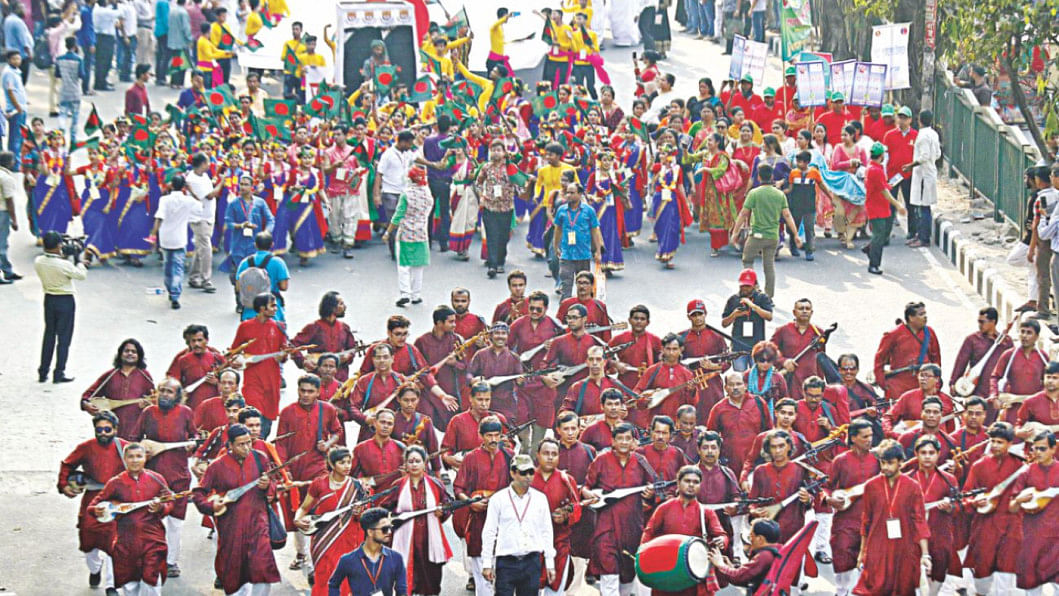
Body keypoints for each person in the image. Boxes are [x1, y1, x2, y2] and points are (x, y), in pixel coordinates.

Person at [192, 424, 280, 595]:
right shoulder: (217, 466)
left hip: (258, 524)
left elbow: (273, 484)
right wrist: (211, 506)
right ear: (230, 445)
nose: (247, 448)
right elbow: (198, 493)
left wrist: (268, 486)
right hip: (231, 528)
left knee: (263, 569)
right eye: (241, 444)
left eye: (249, 443)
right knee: (235, 574)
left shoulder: (260, 459)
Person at [130, 377, 196, 578]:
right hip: (152, 477)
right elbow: (134, 439)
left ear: (177, 396)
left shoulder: (186, 413)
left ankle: (171, 561)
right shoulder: (148, 413)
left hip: (178, 476)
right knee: (150, 519)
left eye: (170, 392)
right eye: (162, 390)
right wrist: (141, 452)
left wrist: (192, 445)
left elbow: (195, 438)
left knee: (175, 522)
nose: (165, 395)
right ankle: (149, 557)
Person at [89, 442, 174, 596]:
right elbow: (94, 505)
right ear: (125, 459)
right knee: (129, 584)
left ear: (145, 458)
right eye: (131, 457)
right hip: (126, 541)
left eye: (139, 456)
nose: (135, 460)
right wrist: (97, 510)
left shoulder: (157, 478)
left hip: (153, 539)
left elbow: (170, 501)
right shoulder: (115, 482)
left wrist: (161, 508)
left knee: (152, 580)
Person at [585, 422, 658, 595]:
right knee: (608, 570)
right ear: (613, 441)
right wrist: (588, 494)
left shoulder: (641, 461)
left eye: (628, 438)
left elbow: (655, 487)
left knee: (628, 575)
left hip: (631, 527)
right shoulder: (601, 460)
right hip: (606, 526)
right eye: (620, 438)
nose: (624, 442)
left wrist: (650, 493)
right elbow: (586, 487)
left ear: (633, 442)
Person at [58, 411, 127, 595]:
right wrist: (64, 485)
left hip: (116, 499)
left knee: (115, 542)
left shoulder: (125, 448)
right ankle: (95, 568)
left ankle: (112, 585)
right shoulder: (86, 447)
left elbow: (141, 467)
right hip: (93, 498)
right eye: (99, 430)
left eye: (107, 429)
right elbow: (67, 465)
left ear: (115, 429)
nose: (103, 433)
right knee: (88, 541)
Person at [853, 439, 930, 595]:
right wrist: (862, 551)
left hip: (904, 547)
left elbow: (919, 521)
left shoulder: (913, 487)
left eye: (890, 463)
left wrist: (925, 554)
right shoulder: (871, 486)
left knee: (902, 588)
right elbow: (866, 520)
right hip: (877, 545)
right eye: (882, 463)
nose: (885, 467)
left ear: (900, 462)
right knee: (875, 587)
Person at [641, 466, 727, 596]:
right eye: (687, 481)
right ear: (678, 483)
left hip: (694, 572)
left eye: (696, 482)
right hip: (667, 570)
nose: (691, 485)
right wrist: (644, 554)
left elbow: (721, 534)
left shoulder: (706, 512)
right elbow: (649, 532)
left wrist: (721, 540)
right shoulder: (664, 508)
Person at [292, 447, 367, 593]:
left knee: (345, 578)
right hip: (324, 539)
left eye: (349, 462)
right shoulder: (319, 484)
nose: (347, 466)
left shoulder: (357, 486)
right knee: (324, 576)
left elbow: (363, 517)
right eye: (342, 462)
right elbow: (304, 507)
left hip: (349, 539)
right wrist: (297, 519)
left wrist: (359, 512)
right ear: (331, 464)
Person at [481, 453, 557, 596]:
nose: (528, 476)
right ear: (513, 473)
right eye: (523, 473)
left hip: (531, 561)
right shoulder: (498, 499)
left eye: (531, 472)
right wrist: (486, 563)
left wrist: (550, 563)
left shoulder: (540, 499)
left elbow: (546, 531)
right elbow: (489, 532)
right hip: (506, 562)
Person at [453, 417, 514, 596]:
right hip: (478, 517)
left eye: (497, 435)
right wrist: (471, 503)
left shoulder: (510, 456)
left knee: (504, 567)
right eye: (489, 435)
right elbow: (458, 488)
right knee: (481, 567)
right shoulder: (471, 458)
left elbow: (519, 486)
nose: (493, 439)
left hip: (504, 519)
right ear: (481, 435)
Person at [963, 421, 1022, 595]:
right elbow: (967, 494)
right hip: (985, 525)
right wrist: (975, 502)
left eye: (1000, 442)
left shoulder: (1020, 466)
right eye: (993, 441)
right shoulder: (979, 466)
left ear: (1010, 444)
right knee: (982, 568)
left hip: (1012, 524)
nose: (995, 445)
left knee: (1007, 569)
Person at [823, 419, 878, 595]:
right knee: (843, 553)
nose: (869, 440)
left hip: (873, 518)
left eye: (871, 436)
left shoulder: (878, 459)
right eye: (865, 437)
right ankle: (841, 591)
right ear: (853, 438)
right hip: (846, 519)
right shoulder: (840, 461)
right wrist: (829, 499)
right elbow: (826, 486)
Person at [730, 163, 801, 297]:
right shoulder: (779, 194)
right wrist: (796, 234)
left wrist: (735, 232)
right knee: (769, 266)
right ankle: (769, 296)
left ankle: (754, 288)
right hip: (773, 236)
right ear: (772, 176)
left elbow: (743, 214)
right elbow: (787, 215)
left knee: (747, 260)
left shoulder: (754, 193)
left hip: (756, 236)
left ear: (759, 177)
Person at [232, 293, 289, 438]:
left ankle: (261, 443)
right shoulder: (245, 327)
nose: (276, 308)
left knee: (267, 421)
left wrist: (283, 356)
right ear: (262, 308)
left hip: (272, 381)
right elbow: (234, 351)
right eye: (272, 305)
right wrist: (237, 361)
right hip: (253, 379)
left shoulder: (279, 327)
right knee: (253, 414)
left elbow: (285, 353)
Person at [1010, 430, 1059, 593]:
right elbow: (1012, 507)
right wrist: (1018, 500)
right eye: (1034, 448)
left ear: (1053, 449)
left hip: (1056, 538)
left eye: (1042, 448)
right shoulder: (1027, 472)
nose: (1037, 452)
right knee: (1031, 582)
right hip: (1032, 537)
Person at [35, 230, 87, 383]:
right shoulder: (64, 265)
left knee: (49, 335)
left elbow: (52, 261)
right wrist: (79, 261)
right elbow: (81, 275)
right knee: (64, 338)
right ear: (59, 246)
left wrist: (61, 255)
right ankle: (59, 372)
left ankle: (43, 371)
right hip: (65, 300)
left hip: (49, 299)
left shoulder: (39, 261)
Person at [81, 339, 155, 438]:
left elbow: (154, 400)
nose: (130, 354)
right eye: (126, 351)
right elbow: (87, 396)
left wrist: (148, 405)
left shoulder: (145, 376)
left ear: (139, 356)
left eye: (134, 352)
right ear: (120, 354)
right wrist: (86, 404)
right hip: (111, 430)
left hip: (135, 429)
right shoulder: (110, 375)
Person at [327, 507, 407, 596]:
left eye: (390, 528)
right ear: (370, 532)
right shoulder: (347, 560)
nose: (389, 532)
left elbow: (402, 591)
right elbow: (333, 585)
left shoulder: (396, 558)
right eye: (384, 529)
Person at [383, 166, 433, 307]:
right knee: (418, 265)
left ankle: (405, 294)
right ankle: (416, 295)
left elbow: (397, 215)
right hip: (421, 234)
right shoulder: (427, 193)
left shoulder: (406, 194)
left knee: (404, 265)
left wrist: (388, 232)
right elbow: (428, 210)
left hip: (405, 234)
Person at [706, 371, 771, 477]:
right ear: (725, 388)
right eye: (731, 385)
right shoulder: (718, 409)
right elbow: (710, 437)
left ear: (745, 385)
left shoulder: (758, 403)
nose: (735, 388)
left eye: (738, 384)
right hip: (730, 465)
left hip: (757, 462)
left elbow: (769, 431)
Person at [148, 175, 198, 309]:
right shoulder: (188, 200)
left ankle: (170, 289)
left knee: (168, 265)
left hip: (166, 237)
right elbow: (200, 207)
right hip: (179, 238)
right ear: (183, 186)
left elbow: (159, 218)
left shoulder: (164, 200)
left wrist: (153, 235)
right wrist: (192, 192)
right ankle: (175, 294)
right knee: (178, 267)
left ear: (171, 185)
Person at [874, 301, 942, 400]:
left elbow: (936, 359)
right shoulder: (893, 334)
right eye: (921, 314)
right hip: (899, 386)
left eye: (925, 313)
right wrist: (884, 385)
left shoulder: (929, 333)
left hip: (924, 384)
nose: (925, 317)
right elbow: (879, 360)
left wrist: (936, 381)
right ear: (911, 318)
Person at [476, 138, 522, 277]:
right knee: (491, 236)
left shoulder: (510, 167)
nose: (496, 153)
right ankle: (493, 265)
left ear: (504, 152)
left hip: (506, 207)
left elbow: (518, 184)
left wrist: (520, 191)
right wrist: (481, 197)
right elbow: (478, 183)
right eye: (493, 150)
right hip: (490, 206)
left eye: (498, 150)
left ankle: (501, 261)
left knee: (503, 237)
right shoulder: (486, 167)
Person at [291, 292, 360, 381]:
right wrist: (303, 362)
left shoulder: (344, 327)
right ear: (332, 307)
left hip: (340, 377)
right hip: (318, 378)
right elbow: (294, 345)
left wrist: (348, 356)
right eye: (341, 304)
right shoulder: (314, 327)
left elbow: (351, 348)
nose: (345, 307)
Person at [990, 319, 1046, 425]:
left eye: (1029, 333)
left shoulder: (1043, 357)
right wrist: (994, 396)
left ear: (1037, 337)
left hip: (1034, 410)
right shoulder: (1008, 355)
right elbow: (995, 377)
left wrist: (1039, 399)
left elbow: (1048, 382)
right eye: (1022, 331)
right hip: (1012, 409)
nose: (1024, 336)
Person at [553, 181, 604, 298]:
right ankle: (565, 308)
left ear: (580, 194)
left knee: (584, 289)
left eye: (572, 193)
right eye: (567, 193)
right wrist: (555, 247)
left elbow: (595, 231)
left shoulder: (589, 211)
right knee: (566, 286)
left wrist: (598, 251)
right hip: (567, 255)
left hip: (583, 255)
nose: (569, 195)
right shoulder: (561, 210)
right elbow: (558, 230)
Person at [708, 518, 781, 591]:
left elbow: (738, 578)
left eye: (751, 536)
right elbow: (747, 575)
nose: (750, 540)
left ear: (760, 539)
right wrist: (730, 566)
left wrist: (720, 564)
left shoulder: (765, 556)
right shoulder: (777, 550)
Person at [235, 232, 290, 322]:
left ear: (255, 245)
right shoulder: (278, 262)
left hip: (249, 309)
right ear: (272, 245)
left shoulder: (245, 262)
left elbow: (238, 287)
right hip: (271, 310)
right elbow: (284, 287)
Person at [166, 324, 223, 411]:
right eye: (193, 341)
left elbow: (230, 381)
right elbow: (172, 380)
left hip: (213, 406)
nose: (196, 344)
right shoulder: (182, 359)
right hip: (192, 405)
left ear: (206, 340)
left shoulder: (217, 357)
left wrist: (217, 382)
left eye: (199, 340)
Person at [882, 106, 919, 238]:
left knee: (910, 203)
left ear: (910, 120)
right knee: (890, 204)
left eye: (905, 118)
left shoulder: (915, 135)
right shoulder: (889, 135)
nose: (902, 120)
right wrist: (884, 174)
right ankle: (886, 234)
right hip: (893, 174)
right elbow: (885, 156)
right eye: (900, 117)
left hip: (909, 175)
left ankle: (912, 231)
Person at [721, 268, 774, 359]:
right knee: (739, 368)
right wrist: (734, 315)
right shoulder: (733, 299)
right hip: (738, 346)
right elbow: (724, 324)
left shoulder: (762, 298)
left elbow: (769, 317)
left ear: (755, 285)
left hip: (757, 347)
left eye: (748, 286)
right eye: (742, 285)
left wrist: (753, 306)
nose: (744, 288)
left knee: (756, 368)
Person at [907, 110, 941, 248]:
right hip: (929, 172)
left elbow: (924, 156)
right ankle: (920, 235)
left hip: (923, 175)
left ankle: (923, 238)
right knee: (923, 207)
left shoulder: (922, 136)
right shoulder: (934, 134)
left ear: (919, 120)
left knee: (923, 208)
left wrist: (910, 165)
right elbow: (937, 154)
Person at [54, 39, 86, 143]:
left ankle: (60, 133)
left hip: (64, 91)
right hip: (75, 91)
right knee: (75, 117)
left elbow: (57, 74)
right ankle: (73, 138)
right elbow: (82, 75)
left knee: (62, 114)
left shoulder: (59, 59)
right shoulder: (79, 59)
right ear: (75, 46)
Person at [2, 51, 28, 160]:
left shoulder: (16, 71)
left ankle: (18, 161)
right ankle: (13, 162)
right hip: (15, 110)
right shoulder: (9, 73)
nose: (17, 61)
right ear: (8, 60)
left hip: (21, 108)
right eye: (14, 59)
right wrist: (17, 106)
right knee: (15, 139)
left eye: (18, 58)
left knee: (21, 137)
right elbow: (10, 91)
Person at [165, 0, 191, 88]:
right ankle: (179, 83)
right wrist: (189, 39)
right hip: (181, 41)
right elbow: (186, 28)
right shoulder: (183, 13)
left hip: (172, 41)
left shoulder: (171, 11)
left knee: (175, 62)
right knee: (182, 63)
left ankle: (173, 81)